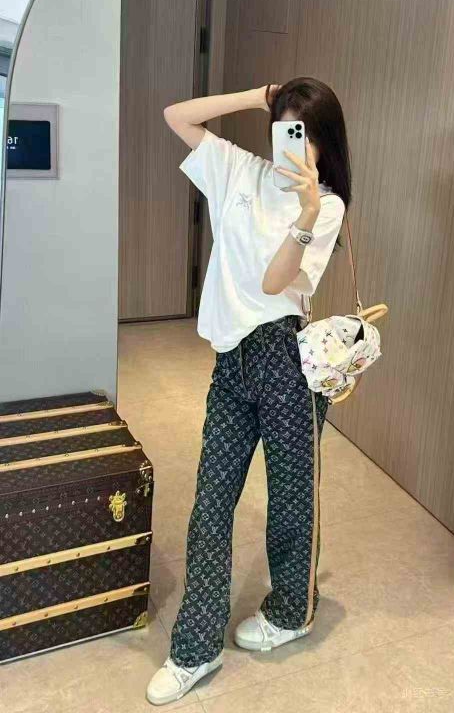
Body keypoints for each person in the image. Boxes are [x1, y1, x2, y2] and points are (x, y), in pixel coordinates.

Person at [146, 77, 352, 705]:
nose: (294, 143)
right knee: (211, 505)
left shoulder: (328, 207)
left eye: (305, 133)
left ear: (325, 143)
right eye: (286, 128)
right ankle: (195, 649)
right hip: (231, 362)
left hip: (286, 361)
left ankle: (291, 614)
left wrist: (307, 213)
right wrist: (255, 96)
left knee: (292, 501)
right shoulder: (238, 169)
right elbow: (175, 115)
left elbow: (272, 284)